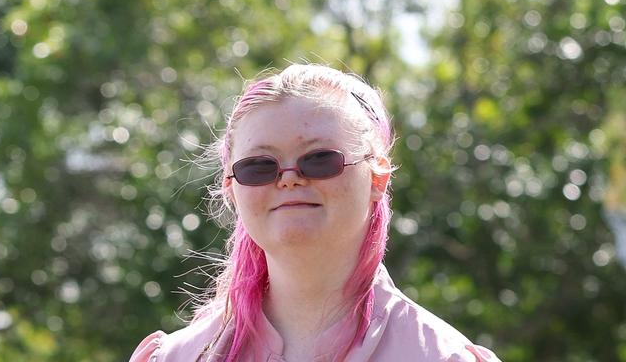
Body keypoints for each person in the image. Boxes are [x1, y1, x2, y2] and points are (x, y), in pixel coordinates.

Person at [130, 64, 499, 361]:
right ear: (231, 187)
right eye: (259, 166)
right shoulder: (176, 357)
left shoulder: (440, 356)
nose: (288, 179)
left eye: (319, 159)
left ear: (378, 176)